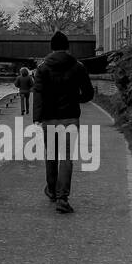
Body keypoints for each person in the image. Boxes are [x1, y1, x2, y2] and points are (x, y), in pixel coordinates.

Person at [33, 30, 95, 214]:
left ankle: (51, 190)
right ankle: (63, 197)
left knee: (51, 155)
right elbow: (89, 93)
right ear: (67, 47)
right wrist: (76, 100)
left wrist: (37, 117)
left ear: (51, 48)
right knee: (67, 157)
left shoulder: (42, 68)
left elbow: (38, 94)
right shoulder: (78, 66)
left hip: (49, 118)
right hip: (70, 118)